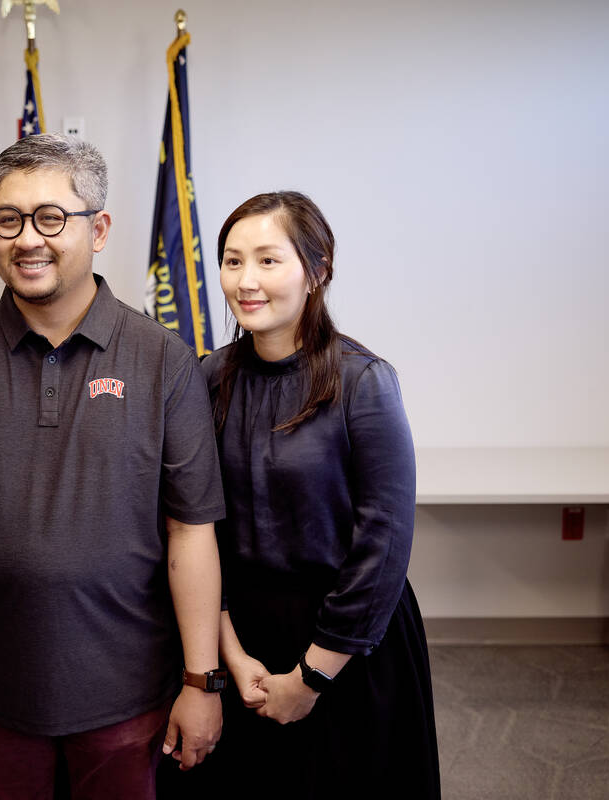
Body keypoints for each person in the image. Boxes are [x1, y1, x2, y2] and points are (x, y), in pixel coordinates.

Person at [0, 133, 229, 800]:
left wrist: (200, 681)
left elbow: (191, 532)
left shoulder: (163, 361)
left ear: (100, 229)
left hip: (127, 693)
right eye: (8, 219)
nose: (26, 238)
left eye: (51, 217)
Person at [157, 191, 440, 798]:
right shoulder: (206, 379)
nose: (245, 280)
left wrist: (311, 677)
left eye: (267, 260)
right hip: (233, 634)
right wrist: (228, 653)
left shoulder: (365, 383)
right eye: (232, 262)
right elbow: (191, 523)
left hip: (346, 644)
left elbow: (384, 547)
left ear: (316, 272)